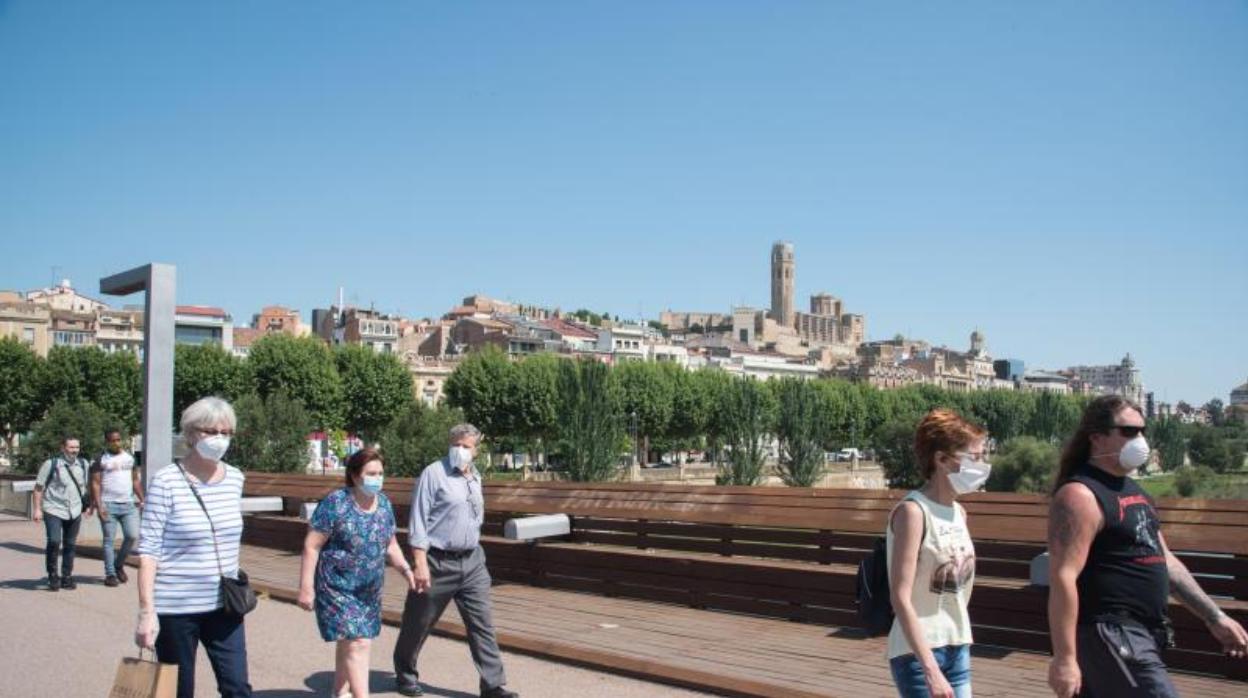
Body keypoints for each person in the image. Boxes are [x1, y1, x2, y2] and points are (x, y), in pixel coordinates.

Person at [1047, 395, 1248, 697]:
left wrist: (1214, 616)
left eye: (1142, 430)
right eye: (1128, 431)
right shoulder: (1080, 495)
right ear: (1097, 438)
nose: (1139, 439)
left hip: (1144, 632)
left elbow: (1164, 560)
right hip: (1111, 631)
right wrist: (1065, 658)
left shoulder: (1134, 491)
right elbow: (1063, 576)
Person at [134, 396, 252, 698]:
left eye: (225, 433)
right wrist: (147, 612)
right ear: (190, 434)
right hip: (176, 607)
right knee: (178, 690)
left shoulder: (235, 479)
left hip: (224, 604)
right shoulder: (166, 481)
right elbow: (148, 549)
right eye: (211, 432)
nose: (219, 439)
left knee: (237, 687)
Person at [393, 424, 517, 698]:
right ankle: (405, 674)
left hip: (472, 561)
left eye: (467, 446)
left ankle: (493, 684)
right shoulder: (433, 474)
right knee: (419, 621)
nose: (460, 450)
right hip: (437, 561)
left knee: (482, 623)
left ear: (476, 450)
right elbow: (418, 520)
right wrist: (420, 561)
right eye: (456, 444)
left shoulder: (475, 477)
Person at [886, 409, 990, 698]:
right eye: (975, 457)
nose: (983, 466)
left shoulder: (959, 513)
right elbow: (900, 596)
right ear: (942, 460)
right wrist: (930, 669)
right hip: (918, 654)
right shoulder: (913, 512)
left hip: (958, 644)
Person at [298, 447, 416, 698]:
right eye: (371, 473)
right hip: (337, 586)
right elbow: (312, 545)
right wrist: (306, 588)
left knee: (351, 642)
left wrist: (406, 570)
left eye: (381, 473)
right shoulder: (336, 502)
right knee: (359, 643)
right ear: (354, 475)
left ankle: (339, 692)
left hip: (368, 590)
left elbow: (391, 544)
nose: (377, 479)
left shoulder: (383, 504)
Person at [33, 435, 94, 591]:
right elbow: (39, 488)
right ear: (63, 448)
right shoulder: (51, 464)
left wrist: (88, 505)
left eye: (77, 447)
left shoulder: (83, 464)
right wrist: (37, 509)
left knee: (70, 544)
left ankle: (66, 576)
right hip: (53, 509)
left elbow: (85, 487)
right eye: (71, 447)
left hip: (74, 510)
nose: (74, 450)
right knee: (54, 541)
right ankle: (52, 575)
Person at [91, 427, 143, 587]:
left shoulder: (129, 458)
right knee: (109, 541)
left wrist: (143, 499)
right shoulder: (100, 459)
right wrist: (99, 506)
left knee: (132, 536)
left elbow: (135, 480)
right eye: (112, 440)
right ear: (107, 442)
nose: (116, 443)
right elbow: (95, 483)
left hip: (128, 504)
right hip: (108, 505)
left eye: (118, 439)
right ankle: (110, 574)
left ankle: (118, 564)